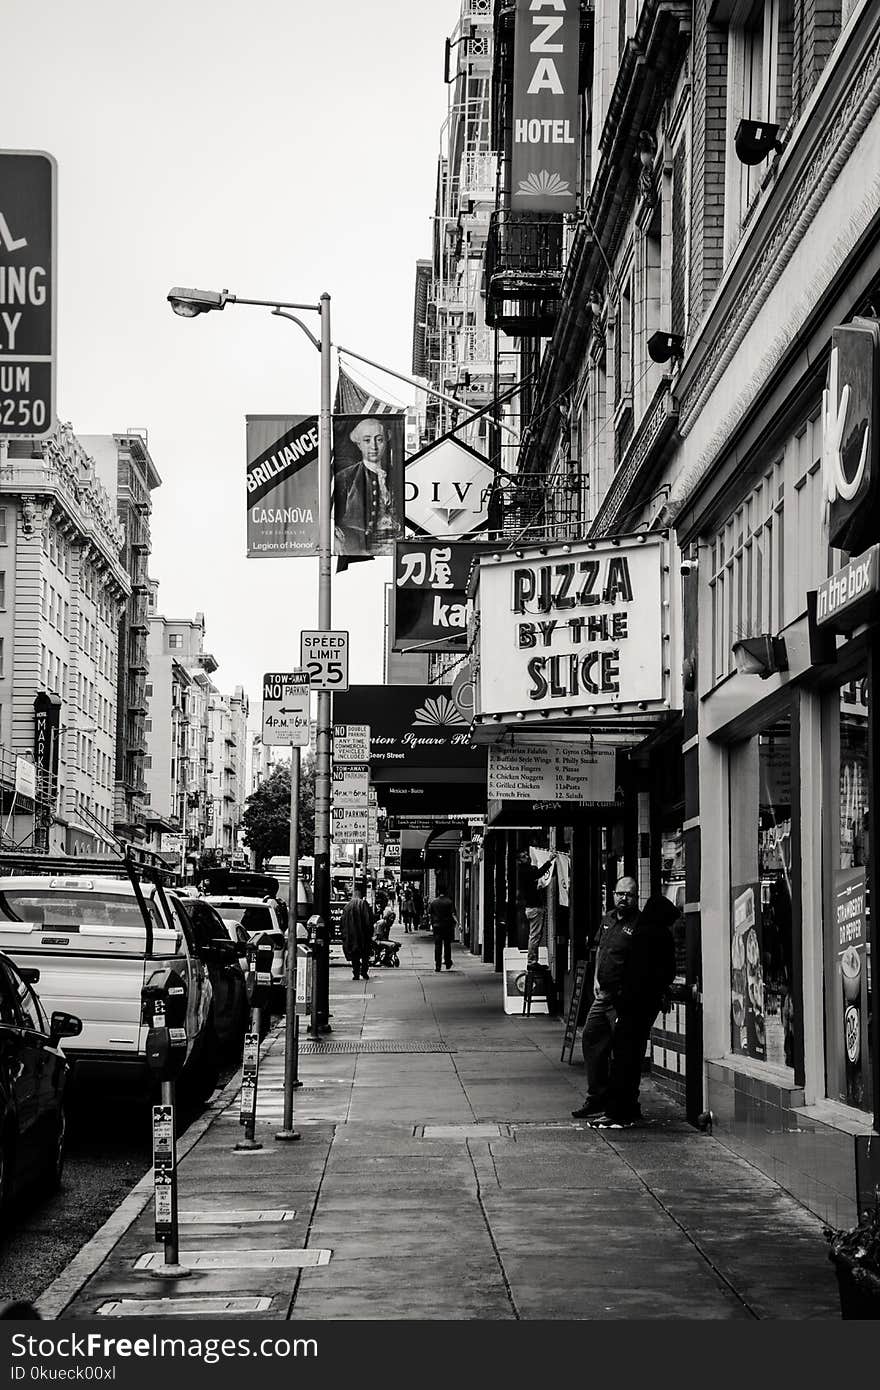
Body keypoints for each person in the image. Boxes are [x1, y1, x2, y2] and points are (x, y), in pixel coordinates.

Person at [592, 894, 679, 1128]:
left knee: (622, 1058)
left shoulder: (641, 934)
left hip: (630, 1004)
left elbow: (631, 972)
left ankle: (617, 1111)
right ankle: (628, 1107)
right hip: (647, 1005)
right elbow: (668, 972)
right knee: (633, 1056)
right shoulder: (663, 935)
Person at [571, 876, 640, 1121]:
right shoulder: (609, 918)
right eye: (620, 893)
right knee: (591, 1037)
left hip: (623, 997)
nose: (624, 898)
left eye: (629, 894)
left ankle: (626, 1102)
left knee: (624, 1050)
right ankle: (597, 1096)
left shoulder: (638, 924)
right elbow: (600, 948)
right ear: (613, 894)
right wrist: (595, 979)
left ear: (636, 897)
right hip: (604, 993)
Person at [333, 417, 397, 556]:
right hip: (359, 548)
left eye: (379, 440)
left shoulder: (397, 475)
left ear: (385, 441)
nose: (373, 446)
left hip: (395, 548)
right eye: (367, 440)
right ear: (359, 444)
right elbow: (330, 516)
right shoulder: (345, 478)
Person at [517, 847, 550, 969]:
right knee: (535, 935)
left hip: (532, 907)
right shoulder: (525, 871)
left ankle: (533, 961)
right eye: (524, 856)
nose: (527, 857)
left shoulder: (524, 871)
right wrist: (549, 861)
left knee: (535, 935)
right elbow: (538, 873)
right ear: (519, 860)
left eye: (527, 855)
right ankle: (531, 961)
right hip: (534, 907)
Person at [340, 887, 374, 981]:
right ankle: (364, 972)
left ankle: (356, 973)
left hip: (351, 936)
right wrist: (370, 933)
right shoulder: (363, 904)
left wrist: (344, 934)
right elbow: (368, 920)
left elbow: (342, 922)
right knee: (365, 955)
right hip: (363, 935)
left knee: (354, 955)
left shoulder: (347, 906)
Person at [428, 883, 457, 972]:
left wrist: (432, 924)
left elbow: (430, 914)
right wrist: (458, 924)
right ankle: (447, 962)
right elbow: (453, 914)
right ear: (446, 891)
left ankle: (438, 965)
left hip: (437, 926)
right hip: (447, 926)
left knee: (438, 946)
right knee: (447, 945)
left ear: (438, 891)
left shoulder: (434, 902)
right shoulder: (449, 902)